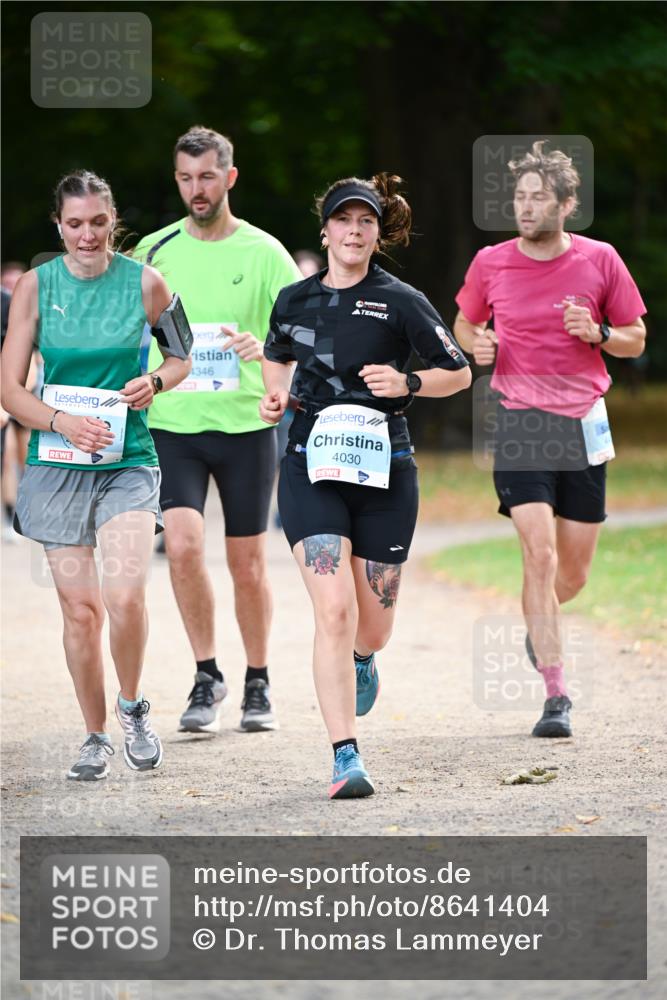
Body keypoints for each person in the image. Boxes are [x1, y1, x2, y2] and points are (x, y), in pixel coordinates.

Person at [260, 173, 471, 799]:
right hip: (310, 465)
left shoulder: (400, 300)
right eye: (343, 220)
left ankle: (362, 658)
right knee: (333, 609)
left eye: (366, 222)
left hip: (385, 471)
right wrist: (276, 394)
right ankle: (344, 756)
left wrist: (409, 383)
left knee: (372, 626)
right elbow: (275, 355)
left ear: (378, 234)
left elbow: (458, 372)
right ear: (325, 230)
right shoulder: (294, 299)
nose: (354, 231)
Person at [1, 170, 191, 780]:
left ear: (114, 221)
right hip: (57, 464)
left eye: (99, 222)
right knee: (81, 611)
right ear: (58, 225)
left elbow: (182, 358)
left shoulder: (147, 283)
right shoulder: (35, 287)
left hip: (126, 462)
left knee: (125, 595)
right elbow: (9, 389)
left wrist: (155, 381)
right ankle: (94, 735)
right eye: (75, 224)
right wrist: (61, 422)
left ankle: (132, 706)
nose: (87, 235)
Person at [453, 141, 647, 738]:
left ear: (566, 205)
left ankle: (542, 626)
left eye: (539, 196)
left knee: (573, 574)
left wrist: (599, 332)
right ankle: (556, 694)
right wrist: (477, 344)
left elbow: (636, 338)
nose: (526, 206)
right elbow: (464, 322)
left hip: (583, 421)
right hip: (519, 421)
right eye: (520, 196)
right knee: (539, 555)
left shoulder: (600, 259)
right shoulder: (491, 262)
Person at [133, 126, 301, 736]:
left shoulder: (265, 252)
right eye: (185, 178)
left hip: (244, 425)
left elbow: (303, 332)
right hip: (172, 424)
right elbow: (129, 328)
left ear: (229, 177)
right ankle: (207, 675)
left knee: (247, 562)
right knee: (181, 546)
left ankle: (258, 679)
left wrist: (265, 351)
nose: (195, 189)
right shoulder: (153, 249)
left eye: (206, 177)